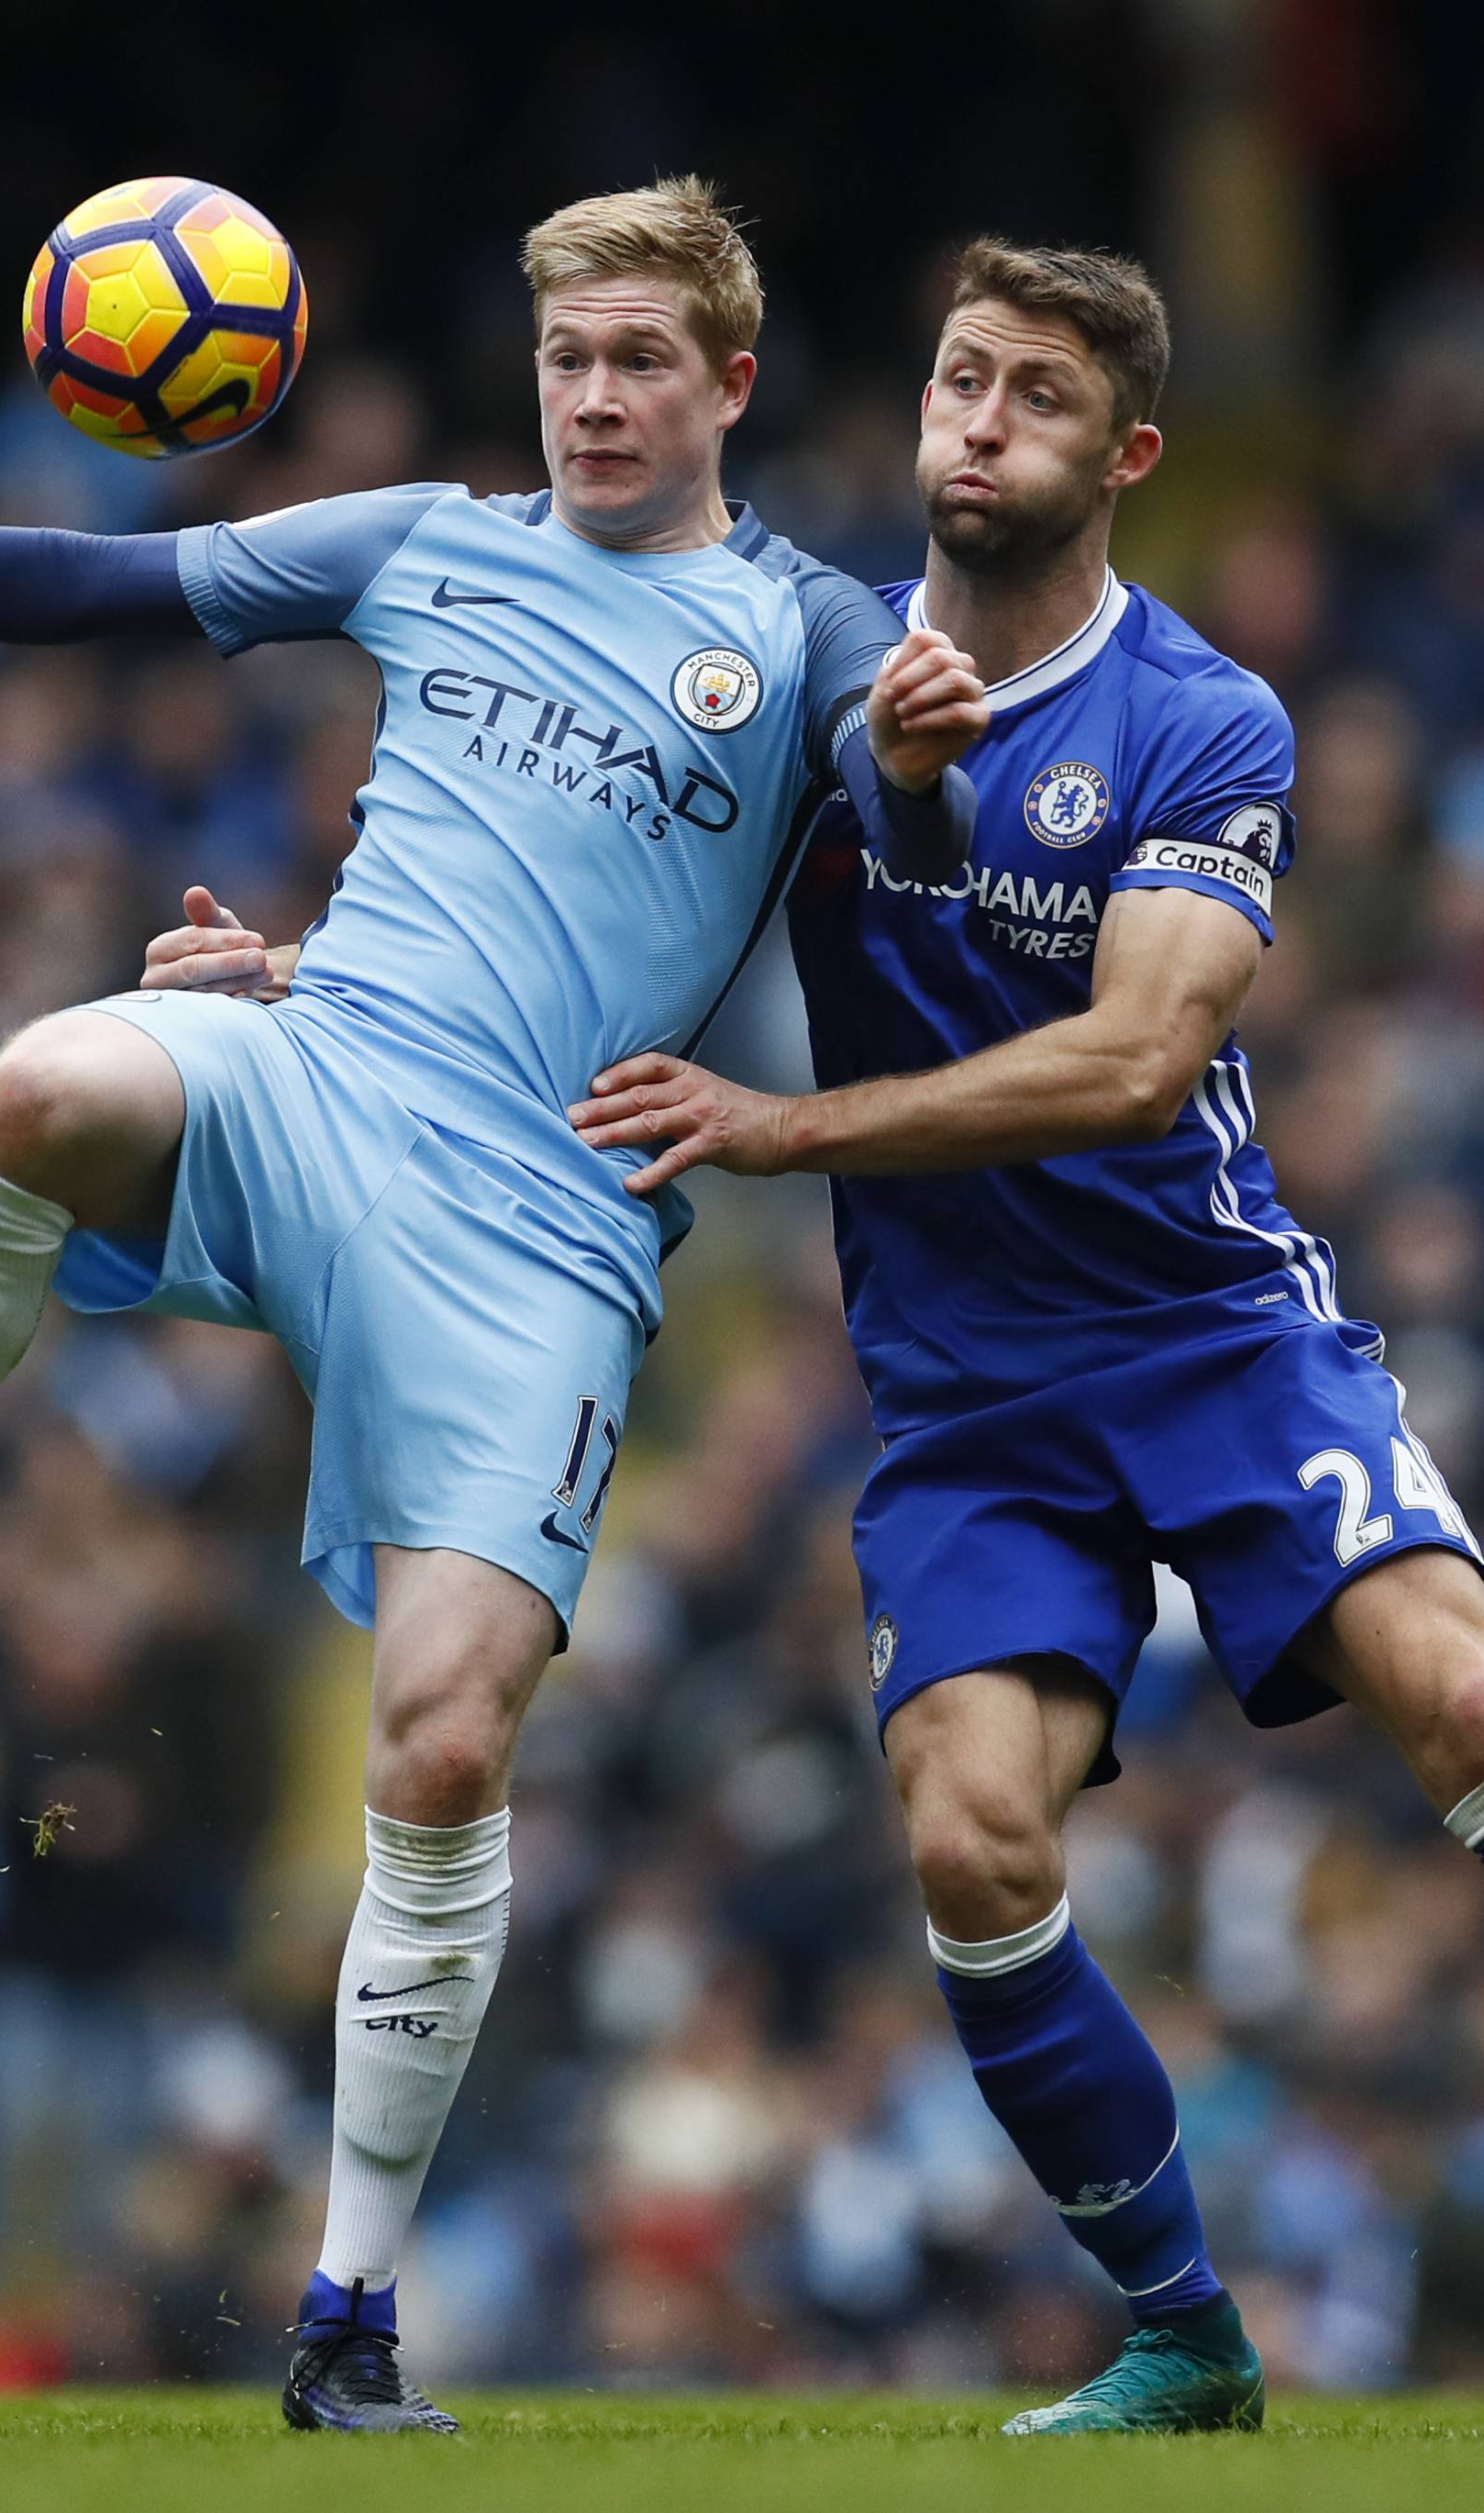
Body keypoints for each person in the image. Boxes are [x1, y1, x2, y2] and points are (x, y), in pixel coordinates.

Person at [0, 178, 988, 2433]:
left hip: (544, 1227)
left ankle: (347, 2320)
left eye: (637, 365)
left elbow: (920, 876)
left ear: (729, 386)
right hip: (323, 1070)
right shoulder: (432, 537)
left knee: (442, 1741)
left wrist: (911, 774)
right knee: (32, 1079)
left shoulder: (808, 635)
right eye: (566, 360)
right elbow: (85, 588)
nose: (594, 399)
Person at [566, 238, 1484, 2435]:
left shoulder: (1202, 714)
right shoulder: (798, 676)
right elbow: (561, 906)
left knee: (1459, 1698)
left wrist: (789, 1125)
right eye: (960, 381)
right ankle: (1183, 2332)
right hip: (972, 1399)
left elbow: (1136, 1059)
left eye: (1038, 397)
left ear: (1125, 454)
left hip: (1212, 1332)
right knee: (972, 1831)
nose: (980, 424)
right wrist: (313, 972)